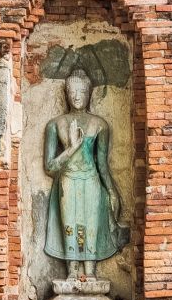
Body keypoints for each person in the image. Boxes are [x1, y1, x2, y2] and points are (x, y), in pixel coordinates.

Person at [44, 67, 128, 279]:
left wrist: (111, 191)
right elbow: (49, 167)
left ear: (89, 93)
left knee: (90, 226)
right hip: (67, 181)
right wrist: (71, 148)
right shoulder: (55, 124)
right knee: (70, 226)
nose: (76, 96)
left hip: (91, 181)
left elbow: (102, 165)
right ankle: (72, 273)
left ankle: (90, 274)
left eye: (81, 92)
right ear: (67, 93)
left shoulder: (99, 124)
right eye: (72, 92)